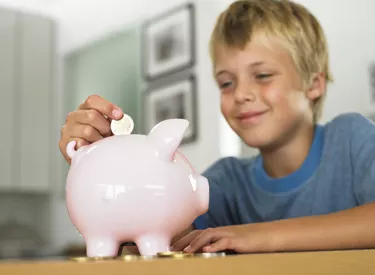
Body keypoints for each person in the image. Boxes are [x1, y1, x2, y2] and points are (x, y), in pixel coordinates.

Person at [59, 0, 375, 255]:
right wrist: (103, 165)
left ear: (314, 83)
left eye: (262, 75)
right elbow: (154, 244)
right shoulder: (225, 181)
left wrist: (257, 237)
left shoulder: (352, 139)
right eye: (226, 82)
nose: (240, 94)